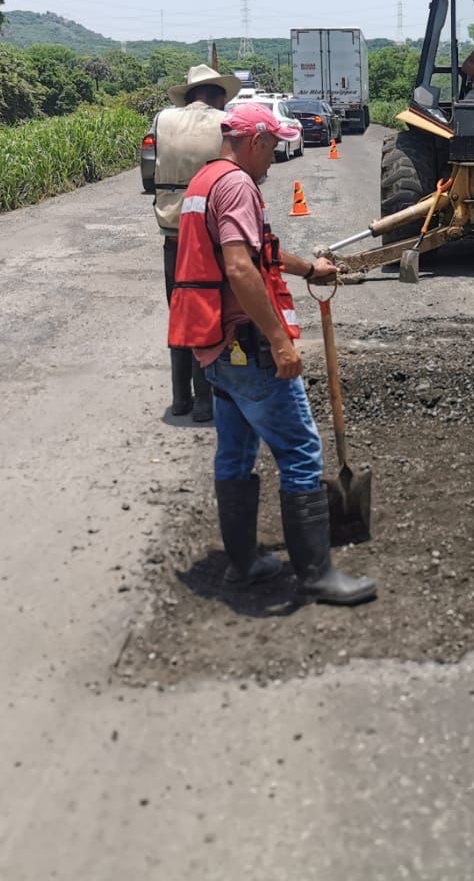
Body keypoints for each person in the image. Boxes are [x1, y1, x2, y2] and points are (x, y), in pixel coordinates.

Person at [168, 103, 377, 606]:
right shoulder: (239, 185)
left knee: (235, 454)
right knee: (302, 453)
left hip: (215, 346)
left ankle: (244, 566)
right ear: (255, 140)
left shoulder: (205, 181)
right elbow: (241, 269)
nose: (276, 154)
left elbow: (257, 249)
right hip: (248, 346)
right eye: (274, 144)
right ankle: (317, 576)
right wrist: (280, 343)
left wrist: (308, 269)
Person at [151, 63, 231, 420]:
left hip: (172, 232)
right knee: (208, 312)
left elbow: (150, 170)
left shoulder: (163, 120)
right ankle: (204, 400)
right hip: (209, 232)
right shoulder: (222, 124)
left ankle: (180, 397)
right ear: (216, 95)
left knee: (179, 311)